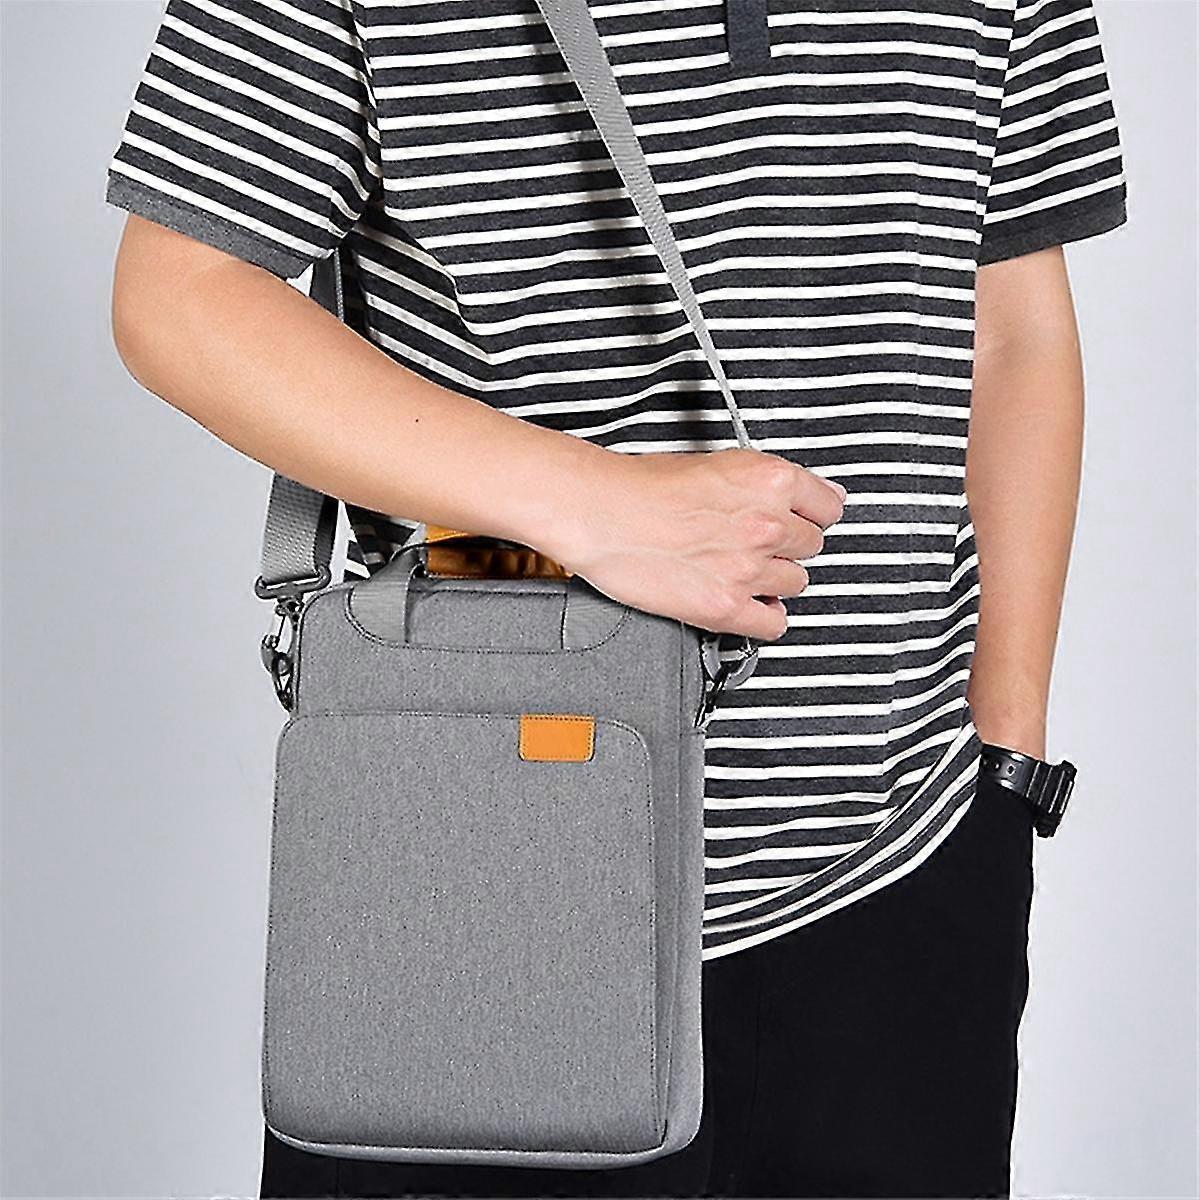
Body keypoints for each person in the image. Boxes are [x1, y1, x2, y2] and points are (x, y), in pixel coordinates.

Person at [104, 0, 1127, 1196]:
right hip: (483, 846)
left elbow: (1012, 322)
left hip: (909, 847)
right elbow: (179, 291)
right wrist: (601, 510)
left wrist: (1005, 754)